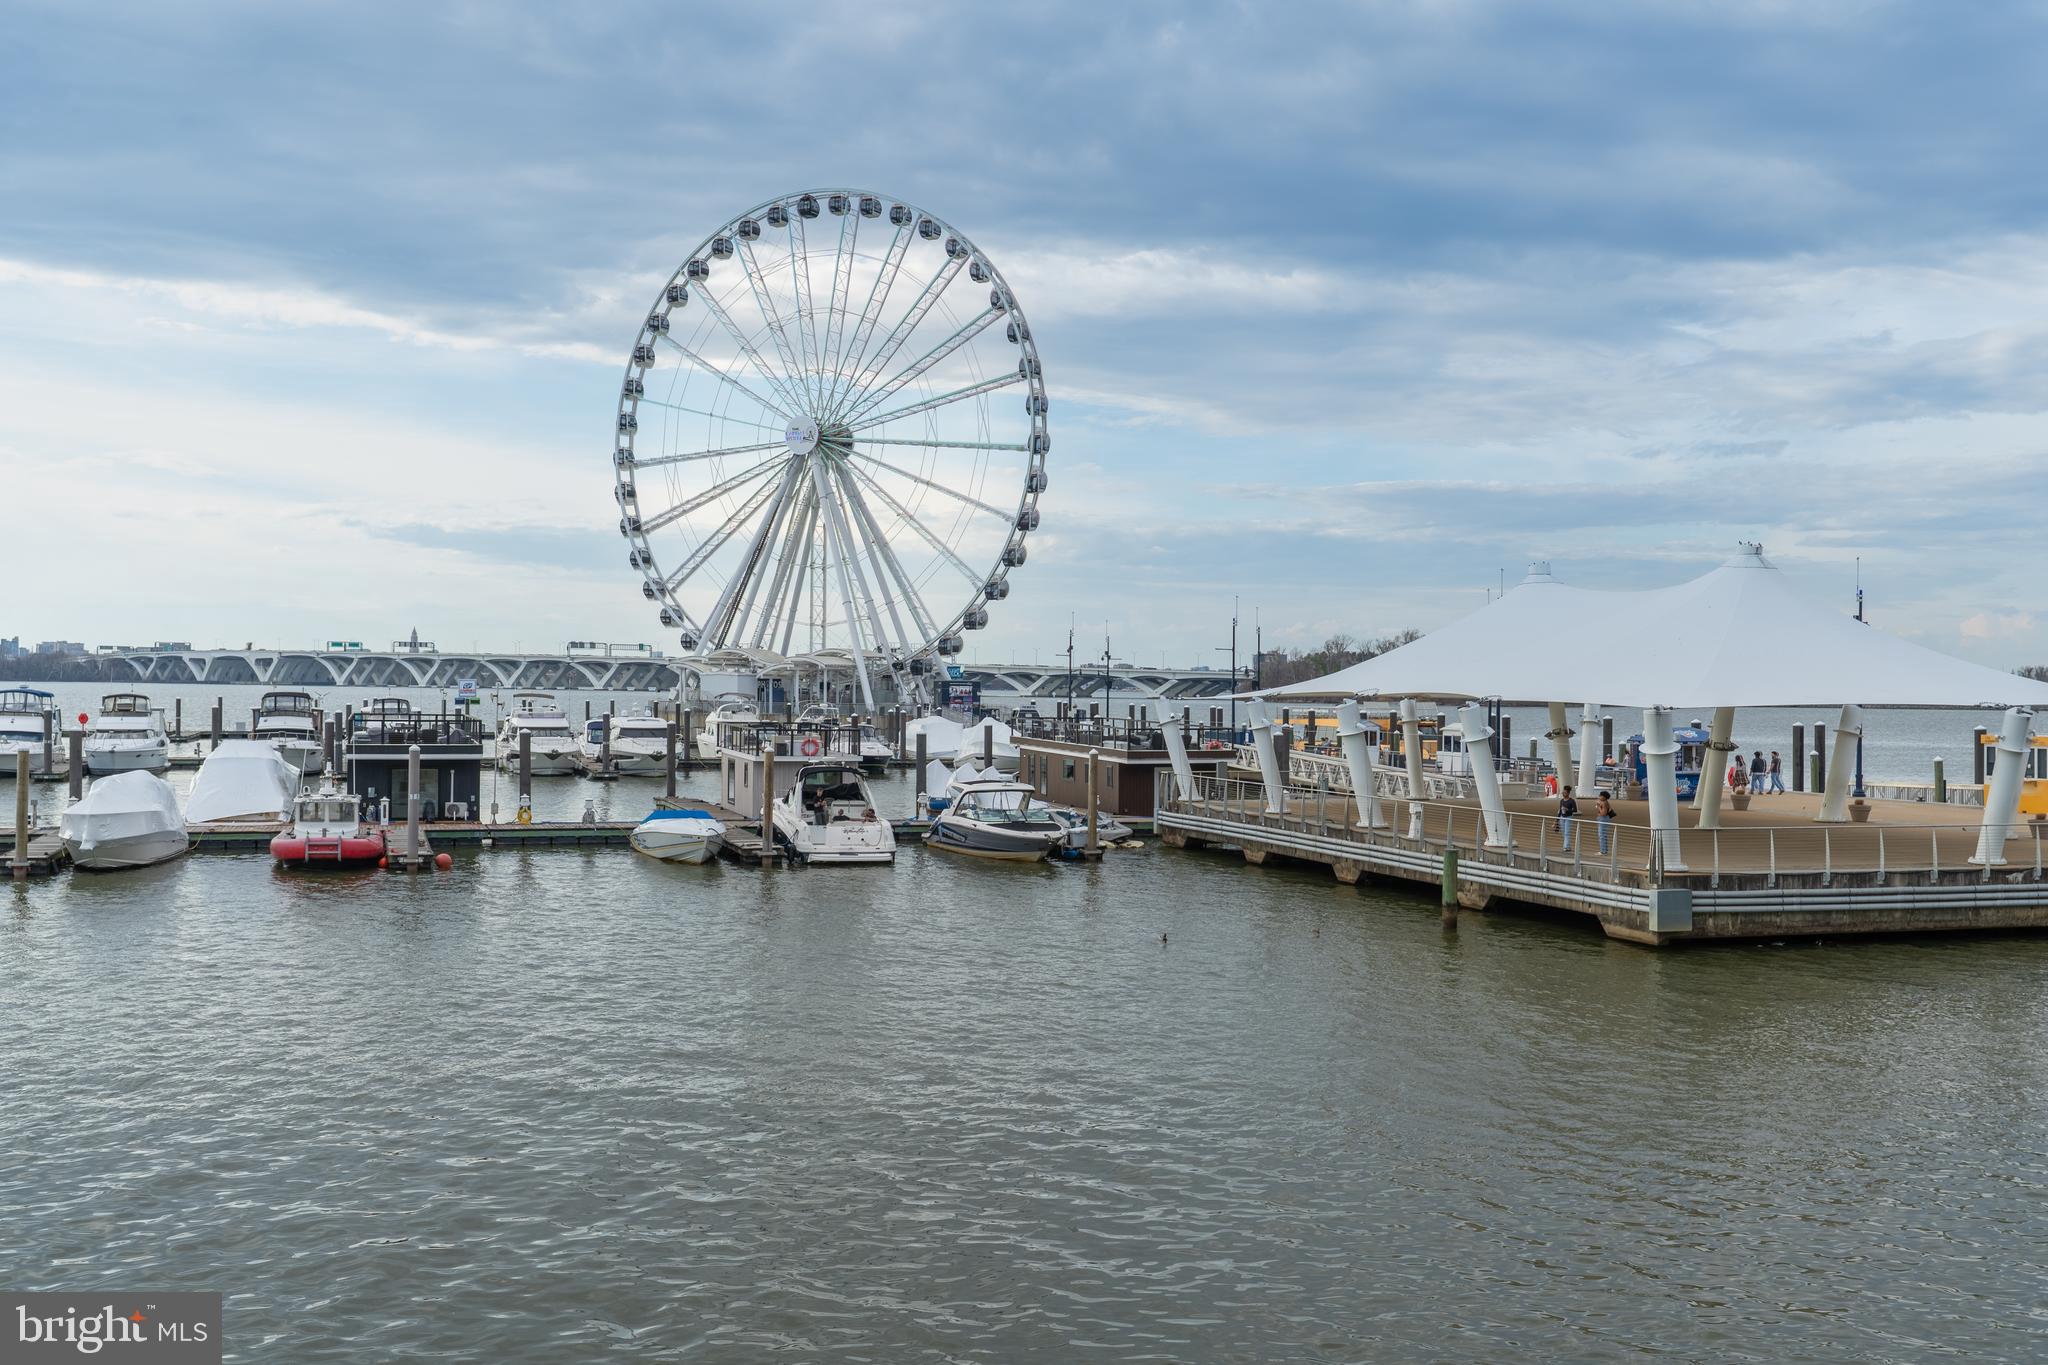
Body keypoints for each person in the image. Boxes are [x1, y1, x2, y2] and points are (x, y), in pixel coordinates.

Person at [1557, 787, 1580, 852]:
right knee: (1563, 832)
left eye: (1565, 792)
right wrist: (1556, 820)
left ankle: (1566, 846)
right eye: (1563, 792)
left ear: (1568, 793)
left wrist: (1568, 810)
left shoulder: (1571, 801)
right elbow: (1560, 811)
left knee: (1567, 832)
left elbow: (1575, 810)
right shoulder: (1561, 801)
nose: (1563, 793)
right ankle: (1568, 846)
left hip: (1568, 817)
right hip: (1562, 817)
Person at [1594, 790, 1615, 855]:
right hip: (1603, 819)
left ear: (1604, 797)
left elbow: (1603, 813)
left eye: (1600, 796)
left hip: (1603, 819)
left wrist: (1598, 806)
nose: (1599, 797)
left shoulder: (1604, 803)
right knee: (1603, 835)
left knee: (1602, 835)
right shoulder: (1605, 802)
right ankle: (1604, 850)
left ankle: (1603, 851)